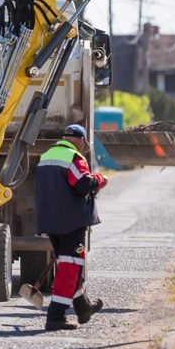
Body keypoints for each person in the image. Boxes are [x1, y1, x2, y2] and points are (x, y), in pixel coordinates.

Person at [35, 124, 108, 331]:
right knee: (71, 268)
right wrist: (100, 179)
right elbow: (83, 184)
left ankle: (83, 308)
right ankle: (55, 316)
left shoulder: (46, 156)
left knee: (68, 264)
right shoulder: (73, 157)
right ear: (81, 140)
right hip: (71, 222)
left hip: (51, 220)